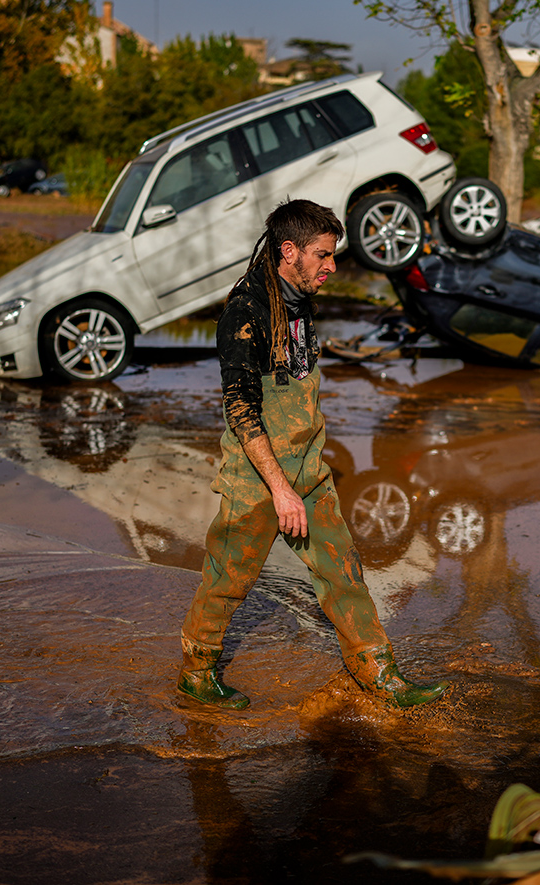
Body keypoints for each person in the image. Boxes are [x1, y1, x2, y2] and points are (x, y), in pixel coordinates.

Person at [178, 199, 447, 710]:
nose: (332, 267)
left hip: (309, 471)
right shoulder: (246, 311)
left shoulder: (300, 299)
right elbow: (241, 409)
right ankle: (196, 673)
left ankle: (380, 675)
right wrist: (280, 490)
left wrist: (305, 478)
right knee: (228, 579)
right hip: (258, 479)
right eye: (323, 255)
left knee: (342, 571)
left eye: (333, 255)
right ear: (289, 251)